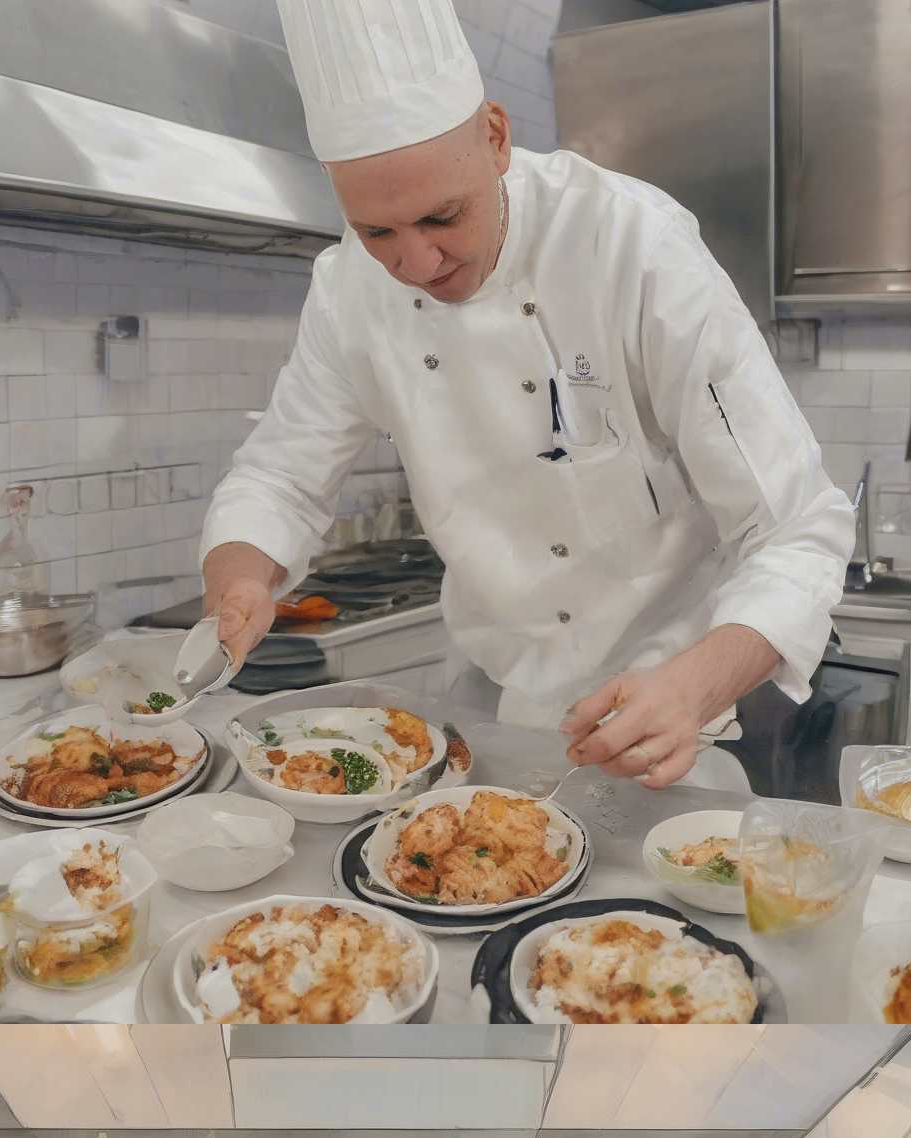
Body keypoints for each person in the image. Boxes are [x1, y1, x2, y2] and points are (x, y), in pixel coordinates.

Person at [200, 0, 853, 794]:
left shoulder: (629, 243)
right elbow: (280, 477)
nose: (416, 260)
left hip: (684, 700)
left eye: (442, 216)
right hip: (497, 703)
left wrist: (692, 686)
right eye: (376, 232)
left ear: (496, 137)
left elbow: (795, 523)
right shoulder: (346, 292)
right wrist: (238, 582)